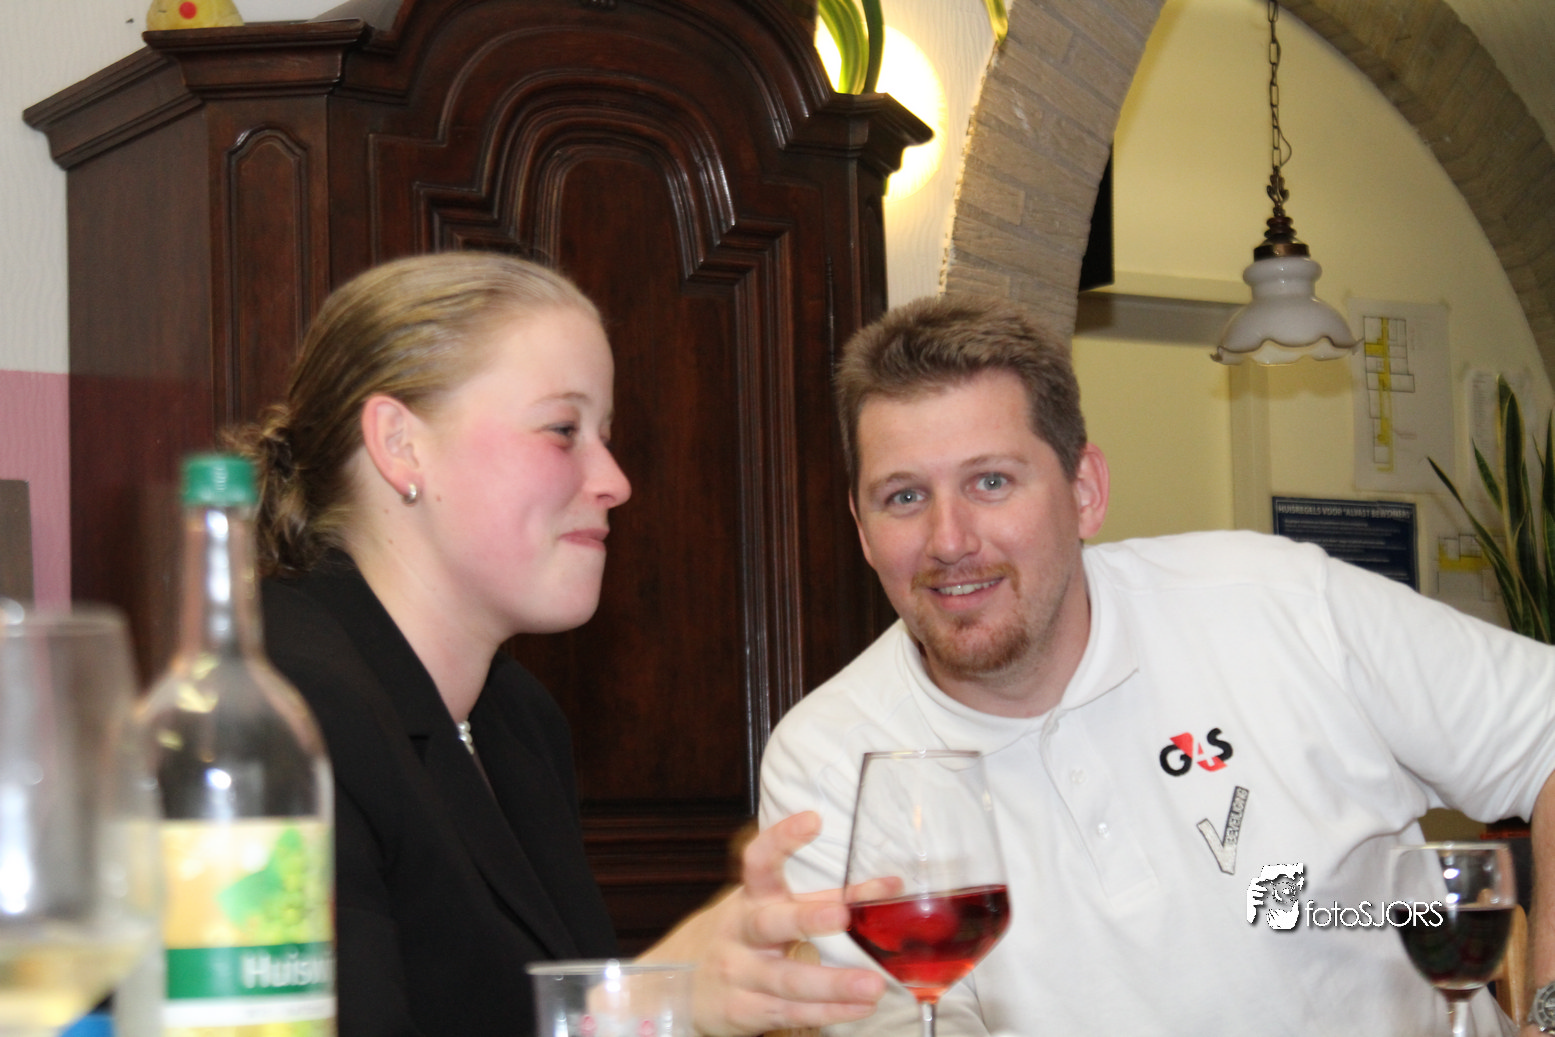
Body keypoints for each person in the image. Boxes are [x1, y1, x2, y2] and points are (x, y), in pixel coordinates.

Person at [757, 294, 1555, 1037]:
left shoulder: (1277, 601)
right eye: (903, 496)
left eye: (990, 481)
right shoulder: (830, 760)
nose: (949, 539)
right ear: (861, 527)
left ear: (1084, 490)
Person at [230, 251, 887, 1037]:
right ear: (400, 444)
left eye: (604, 435)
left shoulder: (517, 718)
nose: (614, 480)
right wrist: (647, 1000)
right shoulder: (277, 709)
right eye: (562, 430)